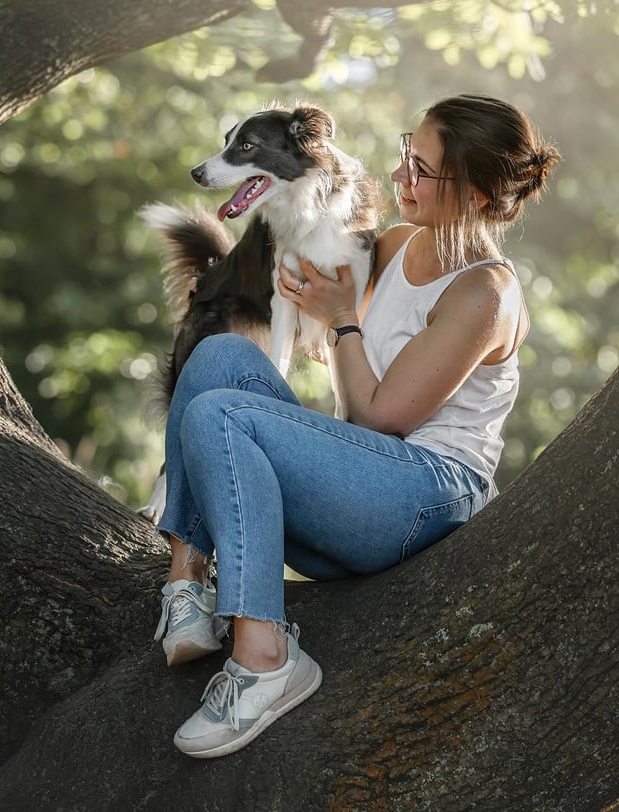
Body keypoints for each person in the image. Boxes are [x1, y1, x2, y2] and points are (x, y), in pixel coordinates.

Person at [152, 93, 560, 759]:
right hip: (349, 495)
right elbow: (314, 300)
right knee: (220, 359)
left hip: (423, 499)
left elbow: (379, 414)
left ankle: (265, 661)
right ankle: (186, 582)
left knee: (221, 414)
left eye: (422, 171)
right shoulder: (396, 243)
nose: (401, 177)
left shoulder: (485, 292)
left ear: (482, 194)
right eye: (407, 154)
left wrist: (344, 317)